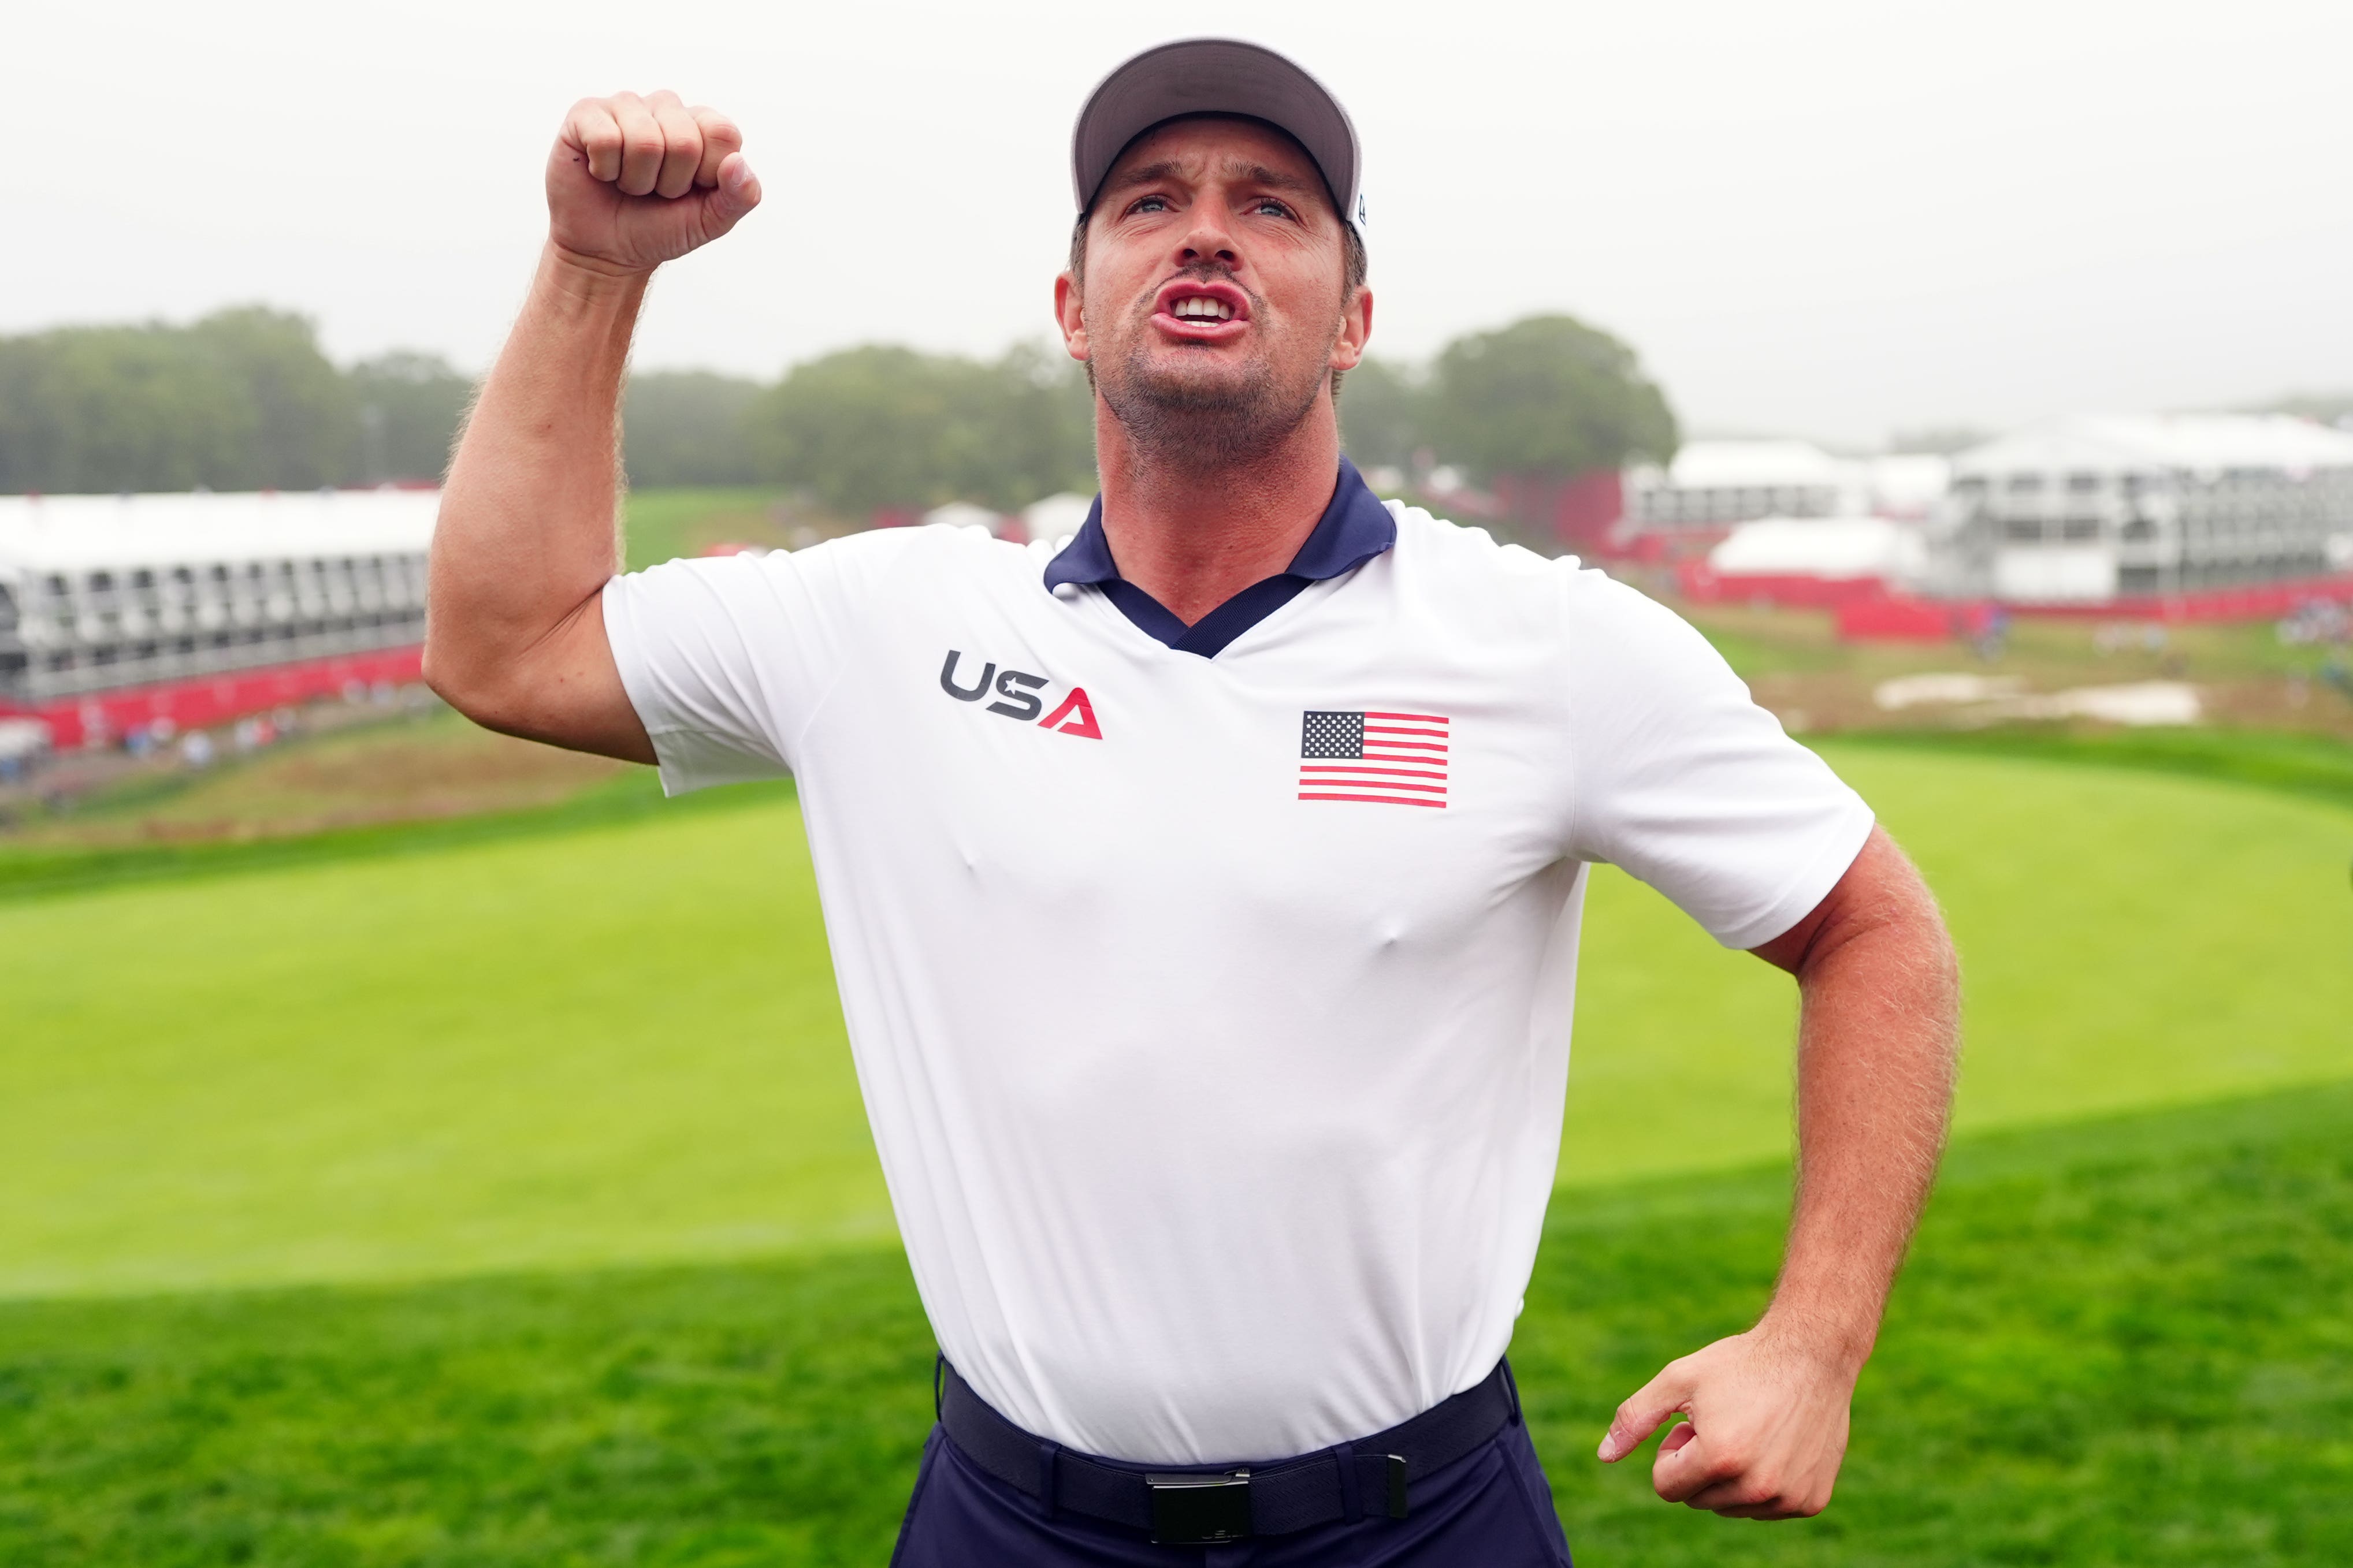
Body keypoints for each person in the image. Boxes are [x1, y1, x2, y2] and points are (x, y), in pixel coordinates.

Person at [425, 38, 1960, 1566]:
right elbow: (507, 646)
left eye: (1273, 204)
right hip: (1009, 1520)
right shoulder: (885, 624)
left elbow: (1874, 927)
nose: (1206, 228)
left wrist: (1815, 1340)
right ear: (1071, 312)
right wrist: (590, 265)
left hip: (1415, 1524)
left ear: (1352, 317)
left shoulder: (1542, 643)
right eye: (1148, 201)